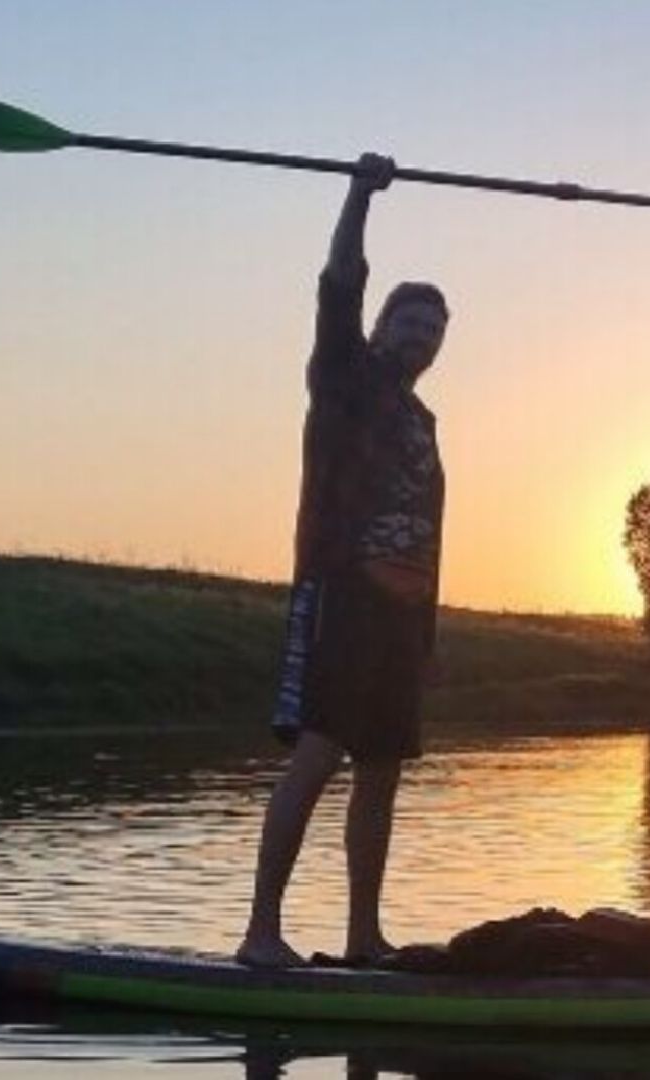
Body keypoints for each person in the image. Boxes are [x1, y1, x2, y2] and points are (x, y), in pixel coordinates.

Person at [236, 153, 449, 969]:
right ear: (382, 326)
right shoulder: (343, 377)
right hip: (341, 595)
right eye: (410, 322)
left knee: (384, 768)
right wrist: (359, 195)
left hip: (399, 617)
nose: (422, 338)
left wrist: (425, 637)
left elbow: (427, 531)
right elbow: (339, 281)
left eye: (434, 330)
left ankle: (363, 937)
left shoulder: (423, 418)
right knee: (321, 750)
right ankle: (261, 933)